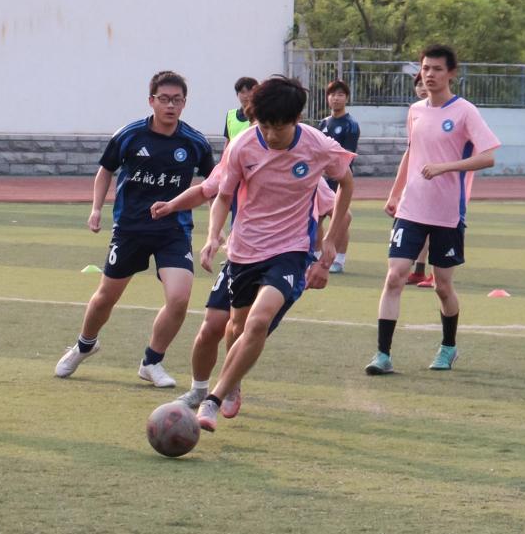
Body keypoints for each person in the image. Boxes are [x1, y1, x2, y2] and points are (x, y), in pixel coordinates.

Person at [194, 76, 354, 432]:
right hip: (244, 250)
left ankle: (212, 399)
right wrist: (213, 235)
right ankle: (233, 381)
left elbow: (346, 182)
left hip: (290, 250)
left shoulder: (317, 145)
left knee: (258, 322)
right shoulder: (243, 145)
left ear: (296, 118)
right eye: (264, 125)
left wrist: (330, 241)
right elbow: (223, 196)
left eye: (278, 127)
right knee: (237, 326)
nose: (269, 134)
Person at [55, 70, 215, 387]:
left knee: (179, 299)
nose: (171, 106)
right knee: (105, 297)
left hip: (173, 231)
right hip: (130, 230)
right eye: (164, 99)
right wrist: (96, 209)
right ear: (151, 101)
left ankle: (151, 362)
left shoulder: (195, 142)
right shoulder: (129, 135)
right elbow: (105, 171)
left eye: (177, 100)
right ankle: (84, 345)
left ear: (185, 103)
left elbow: (214, 185)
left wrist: (215, 230)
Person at [151, 153, 340, 418]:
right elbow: (207, 191)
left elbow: (338, 211)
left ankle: (228, 385)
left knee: (249, 328)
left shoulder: (302, 165)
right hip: (241, 258)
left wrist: (323, 260)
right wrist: (174, 207)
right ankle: (198, 390)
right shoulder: (242, 155)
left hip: (287, 261)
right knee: (212, 326)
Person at [366, 44, 500, 376]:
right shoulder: (415, 110)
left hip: (447, 213)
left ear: (451, 73)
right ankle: (382, 355)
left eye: (437, 69)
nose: (429, 75)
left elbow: (488, 157)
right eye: (425, 68)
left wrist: (445, 167)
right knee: (395, 275)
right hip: (411, 207)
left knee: (442, 286)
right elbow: (411, 152)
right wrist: (395, 192)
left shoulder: (465, 111)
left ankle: (448, 346)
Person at [316, 79, 359, 274]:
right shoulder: (323, 123)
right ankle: (316, 255)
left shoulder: (351, 125)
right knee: (317, 217)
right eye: (332, 94)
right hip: (321, 180)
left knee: (341, 217)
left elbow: (348, 155)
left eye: (340, 94)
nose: (336, 98)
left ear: (346, 98)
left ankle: (339, 259)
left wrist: (331, 170)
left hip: (339, 179)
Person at [406, 71, 434, 288]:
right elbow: (411, 149)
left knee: (437, 227)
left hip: (442, 182)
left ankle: (435, 272)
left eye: (425, 83)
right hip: (418, 180)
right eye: (418, 84)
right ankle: (419, 270)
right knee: (421, 226)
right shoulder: (415, 111)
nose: (422, 88)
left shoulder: (456, 111)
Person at [225, 77, 258, 142]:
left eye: (249, 91)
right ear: (237, 94)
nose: (246, 96)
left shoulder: (261, 115)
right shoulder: (230, 114)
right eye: (242, 92)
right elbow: (228, 141)